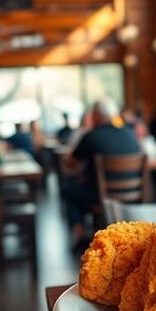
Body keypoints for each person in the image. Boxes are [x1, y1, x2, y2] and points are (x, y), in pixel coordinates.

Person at [63, 98, 140, 251]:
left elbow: (70, 162)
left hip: (101, 195)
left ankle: (79, 235)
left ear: (97, 116)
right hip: (133, 193)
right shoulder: (130, 133)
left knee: (68, 190)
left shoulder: (91, 136)